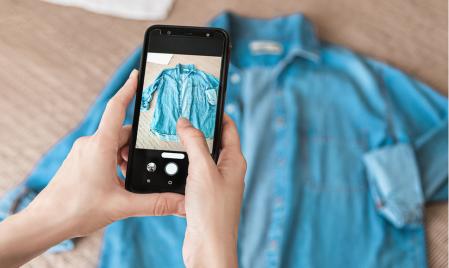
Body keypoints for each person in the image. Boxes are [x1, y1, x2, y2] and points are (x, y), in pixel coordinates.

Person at [0, 70, 247, 268]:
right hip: (161, 133)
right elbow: (139, 97)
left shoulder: (204, 74)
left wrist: (42, 219)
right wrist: (212, 246)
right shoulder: (166, 69)